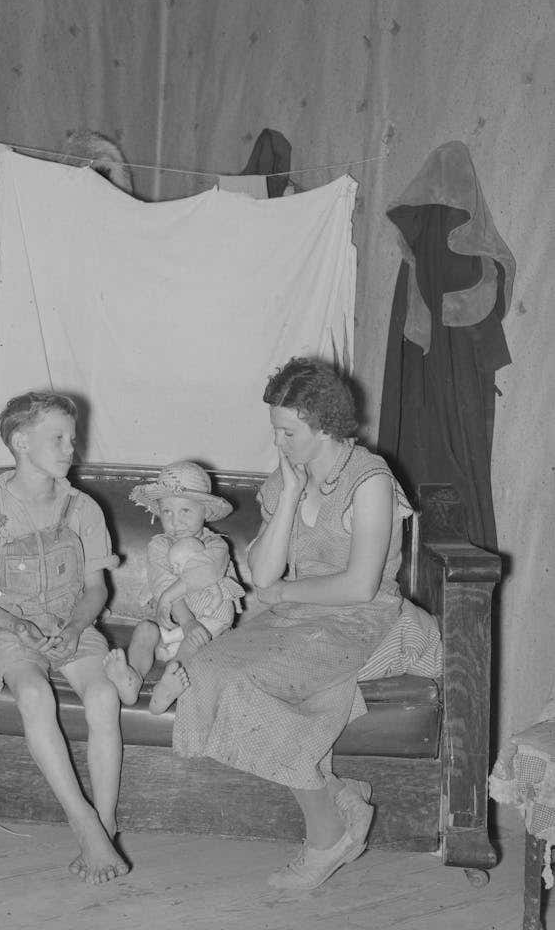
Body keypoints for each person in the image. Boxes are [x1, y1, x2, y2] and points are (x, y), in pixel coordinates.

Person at [172, 356, 417, 890]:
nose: (279, 443)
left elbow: (360, 585)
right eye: (275, 432)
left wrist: (282, 591)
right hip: (292, 615)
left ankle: (327, 836)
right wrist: (288, 494)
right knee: (206, 667)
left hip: (357, 619)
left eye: (288, 432)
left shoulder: (370, 481)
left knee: (249, 686)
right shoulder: (288, 475)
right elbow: (262, 573)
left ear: (325, 426)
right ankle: (337, 798)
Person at [0, 390, 129, 885]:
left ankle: (107, 822)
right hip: (10, 625)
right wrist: (16, 627)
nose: (69, 449)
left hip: (71, 624)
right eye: (57, 438)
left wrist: (76, 628)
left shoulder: (83, 509)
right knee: (33, 691)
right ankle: (82, 820)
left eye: (72, 439)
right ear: (20, 442)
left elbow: (96, 588)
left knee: (101, 695)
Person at [103, 461, 244, 714]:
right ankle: (132, 677)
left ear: (205, 512)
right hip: (172, 627)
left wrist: (182, 614)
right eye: (167, 512)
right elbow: (162, 583)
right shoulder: (159, 545)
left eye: (185, 511)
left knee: (195, 640)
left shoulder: (216, 546)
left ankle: (169, 684)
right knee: (145, 630)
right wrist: (182, 618)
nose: (176, 521)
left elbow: (206, 572)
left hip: (207, 631)